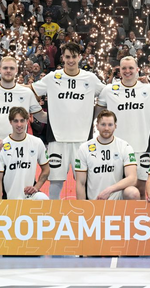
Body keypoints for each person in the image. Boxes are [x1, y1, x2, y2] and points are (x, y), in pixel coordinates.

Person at [32, 42, 106, 200]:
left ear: (79, 57)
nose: (71, 60)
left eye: (74, 56)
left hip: (83, 140)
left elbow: (109, 93)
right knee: (56, 181)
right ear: (62, 58)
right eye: (67, 57)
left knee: (84, 181)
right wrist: (2, 85)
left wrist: (96, 113)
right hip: (57, 138)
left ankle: (86, 213)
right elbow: (31, 90)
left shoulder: (90, 78)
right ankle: (53, 215)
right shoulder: (53, 77)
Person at [0, 56, 44, 198]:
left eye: (11, 68)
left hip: (19, 150)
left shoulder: (26, 92)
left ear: (16, 70)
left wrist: (63, 118)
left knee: (19, 192)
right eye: (5, 68)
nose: (8, 71)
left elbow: (41, 116)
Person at [97, 56, 150, 196]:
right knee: (114, 189)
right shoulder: (109, 90)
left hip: (141, 147)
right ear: (119, 70)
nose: (127, 71)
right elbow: (97, 114)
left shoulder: (148, 89)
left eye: (130, 68)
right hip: (116, 148)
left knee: (140, 190)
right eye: (124, 68)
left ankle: (139, 217)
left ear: (137, 69)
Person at [74, 110, 139, 200]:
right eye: (103, 124)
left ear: (115, 126)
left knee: (133, 192)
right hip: (95, 200)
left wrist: (110, 190)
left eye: (110, 125)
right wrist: (84, 209)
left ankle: (129, 213)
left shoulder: (124, 146)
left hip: (116, 198)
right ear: (97, 126)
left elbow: (133, 178)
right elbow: (80, 183)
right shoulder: (84, 148)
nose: (106, 128)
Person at [0, 107, 50, 200]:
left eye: (22, 121)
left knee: (43, 199)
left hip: (30, 196)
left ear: (27, 121)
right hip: (10, 198)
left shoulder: (37, 142)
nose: (19, 124)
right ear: (10, 122)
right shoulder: (1, 146)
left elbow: (46, 170)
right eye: (16, 121)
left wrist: (36, 187)